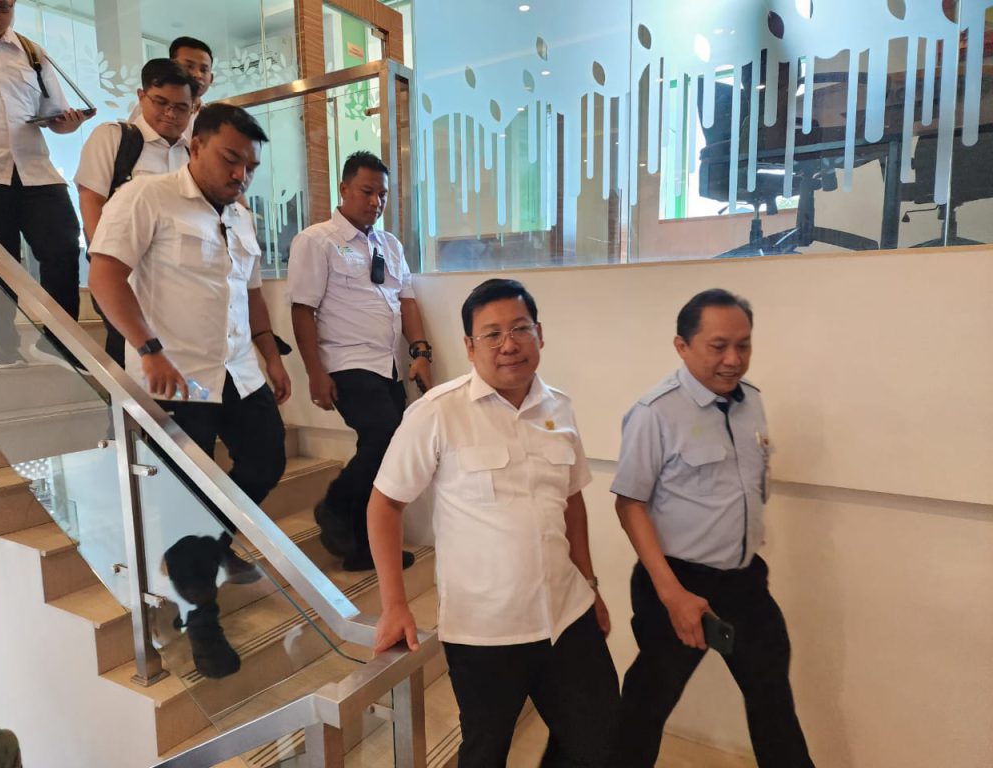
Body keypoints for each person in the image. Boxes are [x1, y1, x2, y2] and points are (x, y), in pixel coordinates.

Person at [369, 279, 620, 768]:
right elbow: (384, 504)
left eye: (520, 329)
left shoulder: (559, 407)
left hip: (566, 615)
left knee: (603, 742)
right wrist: (394, 604)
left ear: (539, 334)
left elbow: (571, 501)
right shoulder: (437, 413)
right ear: (469, 346)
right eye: (492, 334)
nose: (509, 344)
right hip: (484, 632)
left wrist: (590, 584)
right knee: (486, 753)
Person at [87, 103, 291, 679]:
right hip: (174, 377)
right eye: (231, 159)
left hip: (239, 371)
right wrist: (147, 349)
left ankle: (209, 550)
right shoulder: (145, 197)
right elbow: (104, 275)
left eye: (250, 167)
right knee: (184, 499)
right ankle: (200, 618)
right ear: (196, 146)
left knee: (267, 460)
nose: (241, 175)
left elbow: (251, 293)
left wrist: (271, 354)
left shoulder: (242, 216)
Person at [611, 288, 814, 767]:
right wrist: (673, 595)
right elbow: (629, 504)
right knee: (646, 706)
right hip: (677, 582)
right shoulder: (655, 412)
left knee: (772, 699)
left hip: (745, 581)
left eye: (743, 345)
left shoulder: (752, 402)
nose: (733, 359)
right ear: (682, 346)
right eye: (718, 346)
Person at [289, 150, 432, 572]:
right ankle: (334, 506)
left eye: (382, 194)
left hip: (388, 364)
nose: (376, 201)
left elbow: (406, 300)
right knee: (384, 435)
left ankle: (363, 546)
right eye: (367, 191)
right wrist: (315, 373)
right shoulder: (316, 240)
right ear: (344, 189)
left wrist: (420, 352)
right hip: (346, 362)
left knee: (389, 450)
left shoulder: (389, 244)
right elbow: (302, 309)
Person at [0, 0, 93, 367]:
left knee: (64, 247)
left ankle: (59, 341)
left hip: (36, 169)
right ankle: (3, 346)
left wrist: (68, 123)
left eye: (2, 7)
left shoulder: (31, 51)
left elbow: (55, 114)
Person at [76, 58, 197, 366]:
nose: (170, 113)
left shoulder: (192, 154)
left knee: (176, 360)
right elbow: (91, 200)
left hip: (177, 280)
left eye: (180, 107)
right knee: (130, 357)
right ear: (142, 96)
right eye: (161, 102)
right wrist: (105, 265)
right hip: (124, 276)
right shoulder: (116, 137)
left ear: (193, 108)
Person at [128, 36, 214, 140]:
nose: (197, 74)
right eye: (188, 66)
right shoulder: (149, 107)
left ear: (211, 78)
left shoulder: (213, 118)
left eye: (204, 70)